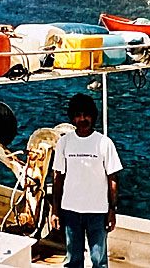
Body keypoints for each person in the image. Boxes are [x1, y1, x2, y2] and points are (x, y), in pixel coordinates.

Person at [50, 93, 122, 268]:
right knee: (73, 261)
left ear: (93, 116)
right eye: (77, 115)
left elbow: (112, 179)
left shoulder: (105, 143)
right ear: (72, 118)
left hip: (98, 212)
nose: (82, 119)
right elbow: (58, 178)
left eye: (86, 114)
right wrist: (55, 210)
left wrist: (112, 209)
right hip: (70, 211)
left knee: (99, 261)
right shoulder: (64, 143)